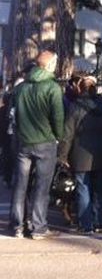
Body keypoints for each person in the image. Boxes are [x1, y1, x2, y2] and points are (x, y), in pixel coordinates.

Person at [10, 51, 64, 240]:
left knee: (20, 185)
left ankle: (17, 225)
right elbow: (58, 117)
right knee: (42, 186)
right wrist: (58, 136)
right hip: (44, 141)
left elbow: (13, 115)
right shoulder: (53, 88)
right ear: (50, 65)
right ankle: (38, 227)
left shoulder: (21, 88)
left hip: (23, 141)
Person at [58, 76, 102, 233]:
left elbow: (67, 134)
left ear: (81, 88)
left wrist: (63, 156)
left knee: (83, 188)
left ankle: (86, 224)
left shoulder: (75, 106)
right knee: (100, 188)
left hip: (80, 153)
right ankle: (98, 220)